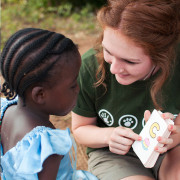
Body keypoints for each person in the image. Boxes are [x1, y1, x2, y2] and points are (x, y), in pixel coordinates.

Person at [71, 0, 180, 180]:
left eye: (130, 61)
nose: (114, 69)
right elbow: (81, 128)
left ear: (163, 55)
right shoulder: (90, 66)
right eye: (108, 51)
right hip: (113, 155)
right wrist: (109, 135)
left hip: (170, 151)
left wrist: (171, 136)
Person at [0, 28, 98, 180]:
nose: (78, 89)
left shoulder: (6, 110)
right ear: (40, 95)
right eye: (73, 85)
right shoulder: (44, 147)